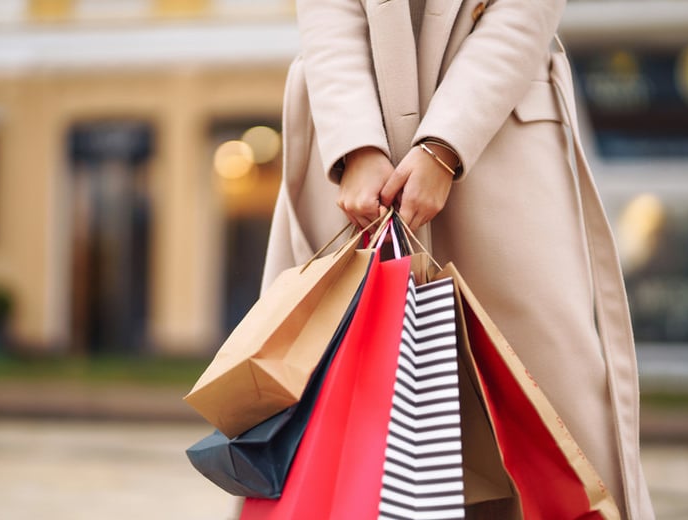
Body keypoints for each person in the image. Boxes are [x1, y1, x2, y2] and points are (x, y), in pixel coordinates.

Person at [261, 0, 655, 518]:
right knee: (332, 412)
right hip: (352, 145)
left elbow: (524, 13)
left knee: (552, 415)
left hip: (502, 139)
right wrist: (356, 146)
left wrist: (445, 145)